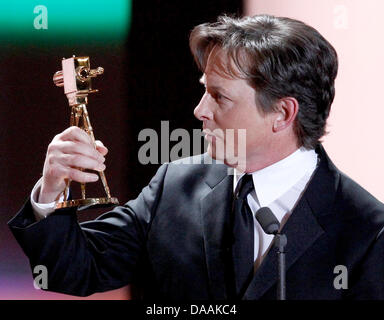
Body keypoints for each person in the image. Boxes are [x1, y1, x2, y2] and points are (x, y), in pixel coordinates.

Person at [8, 14, 384, 300]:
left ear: (283, 114)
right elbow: (74, 270)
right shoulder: (176, 184)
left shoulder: (368, 232)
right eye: (204, 90)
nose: (199, 110)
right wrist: (52, 190)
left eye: (220, 97)